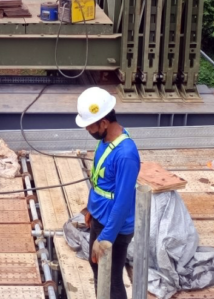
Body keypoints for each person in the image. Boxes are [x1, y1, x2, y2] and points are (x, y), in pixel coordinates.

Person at [76, 87, 140, 299]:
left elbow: (122, 202)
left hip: (115, 227)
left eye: (90, 126)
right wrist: (91, 210)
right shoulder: (104, 141)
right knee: (96, 268)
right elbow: (99, 181)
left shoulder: (126, 155)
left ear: (103, 123)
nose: (88, 130)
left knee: (111, 279)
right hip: (100, 217)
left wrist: (106, 238)